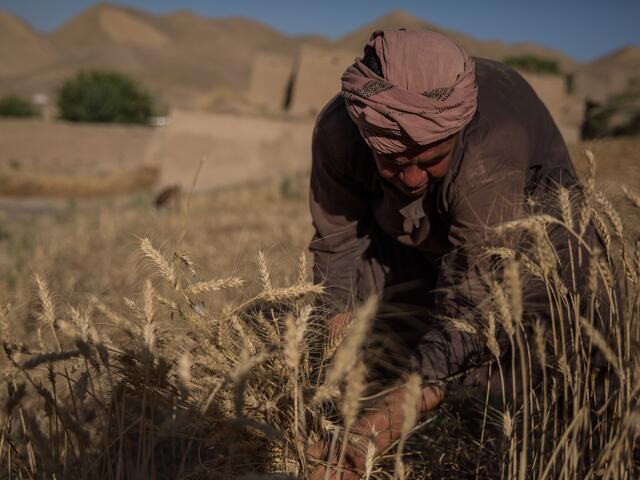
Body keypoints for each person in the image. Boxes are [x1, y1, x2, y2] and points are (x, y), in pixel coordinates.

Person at [306, 29, 595, 479]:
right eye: (393, 160)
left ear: (456, 134)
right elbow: (338, 246)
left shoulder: (487, 152)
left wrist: (382, 424)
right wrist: (333, 371)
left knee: (521, 380)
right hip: (407, 239)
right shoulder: (339, 132)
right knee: (382, 345)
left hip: (529, 241)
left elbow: (474, 299)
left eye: (430, 158)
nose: (414, 178)